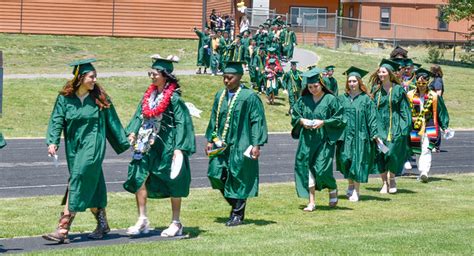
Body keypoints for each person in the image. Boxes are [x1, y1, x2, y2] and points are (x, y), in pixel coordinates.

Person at [43, 59, 129, 243]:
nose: (94, 79)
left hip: (94, 145)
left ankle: (63, 228)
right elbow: (57, 119)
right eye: (91, 76)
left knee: (79, 177)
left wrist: (124, 140)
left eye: (95, 76)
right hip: (74, 146)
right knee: (91, 181)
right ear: (80, 78)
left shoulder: (99, 98)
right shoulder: (65, 98)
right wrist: (53, 141)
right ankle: (102, 223)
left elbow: (112, 121)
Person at [124, 55, 196, 237]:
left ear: (165, 75)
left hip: (167, 145)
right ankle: (142, 219)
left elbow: (182, 122)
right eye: (151, 73)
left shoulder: (174, 99)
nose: (152, 76)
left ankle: (176, 222)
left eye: (155, 73)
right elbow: (140, 114)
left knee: (173, 180)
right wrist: (132, 131)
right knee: (139, 175)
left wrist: (179, 148)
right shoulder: (148, 95)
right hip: (146, 143)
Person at [205, 61, 268, 226]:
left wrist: (256, 144)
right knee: (214, 173)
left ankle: (237, 215)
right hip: (220, 143)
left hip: (242, 142)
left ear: (239, 77)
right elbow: (214, 119)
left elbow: (257, 121)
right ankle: (236, 204)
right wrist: (211, 140)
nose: (226, 81)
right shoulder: (220, 95)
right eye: (224, 77)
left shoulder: (249, 97)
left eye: (230, 78)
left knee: (239, 177)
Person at [291, 68, 345, 211]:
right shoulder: (304, 100)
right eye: (310, 87)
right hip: (307, 140)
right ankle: (311, 202)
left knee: (321, 169)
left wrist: (324, 122)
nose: (313, 89)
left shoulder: (330, 99)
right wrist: (301, 121)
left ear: (321, 84)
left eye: (315, 86)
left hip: (324, 139)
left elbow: (340, 118)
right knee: (306, 168)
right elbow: (295, 115)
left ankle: (332, 187)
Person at [336, 67, 379, 202]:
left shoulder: (366, 99)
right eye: (349, 81)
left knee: (357, 163)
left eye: (354, 81)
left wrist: (375, 134)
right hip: (345, 136)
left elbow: (372, 118)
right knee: (345, 160)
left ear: (359, 82)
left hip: (361, 136)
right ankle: (350, 183)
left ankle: (356, 190)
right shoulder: (342, 99)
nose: (352, 84)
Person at [369, 59, 412, 194]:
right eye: (379, 72)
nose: (381, 74)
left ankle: (392, 178)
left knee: (392, 153)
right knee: (380, 155)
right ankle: (384, 183)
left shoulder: (398, 89)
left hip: (395, 127)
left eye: (383, 72)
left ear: (389, 73)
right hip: (379, 127)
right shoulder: (376, 90)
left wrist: (404, 128)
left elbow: (405, 110)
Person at [407, 68, 450, 182]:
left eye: (424, 83)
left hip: (429, 124)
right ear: (416, 82)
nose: (421, 85)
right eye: (419, 83)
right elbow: (405, 111)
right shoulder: (410, 95)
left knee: (426, 148)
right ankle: (421, 172)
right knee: (417, 150)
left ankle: (424, 172)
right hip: (414, 125)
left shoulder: (433, 96)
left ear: (427, 82)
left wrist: (444, 126)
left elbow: (441, 111)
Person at [429, 64, 445, 152]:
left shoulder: (438, 80)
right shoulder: (436, 80)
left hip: (435, 103)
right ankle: (433, 144)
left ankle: (436, 145)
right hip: (433, 103)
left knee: (435, 123)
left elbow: (438, 92)